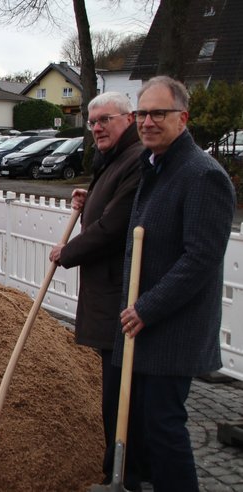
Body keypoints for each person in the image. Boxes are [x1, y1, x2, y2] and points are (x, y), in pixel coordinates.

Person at [117, 75, 235, 491]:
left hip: (174, 327)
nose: (147, 121)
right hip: (148, 324)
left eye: (158, 113)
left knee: (163, 425)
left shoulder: (202, 175)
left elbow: (200, 258)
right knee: (148, 426)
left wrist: (147, 307)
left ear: (183, 118)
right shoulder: (156, 165)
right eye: (141, 113)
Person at [49, 92, 145, 489]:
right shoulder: (113, 160)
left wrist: (66, 252)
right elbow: (106, 210)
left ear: (129, 118)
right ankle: (126, 470)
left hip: (119, 297)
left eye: (105, 119)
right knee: (114, 391)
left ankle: (123, 475)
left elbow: (114, 226)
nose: (97, 128)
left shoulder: (136, 160)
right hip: (106, 295)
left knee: (119, 397)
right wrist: (89, 202)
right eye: (92, 122)